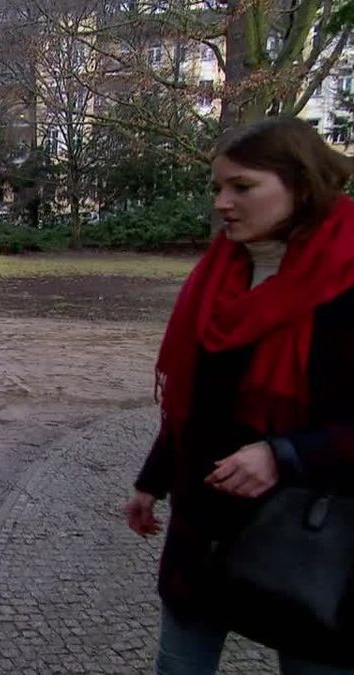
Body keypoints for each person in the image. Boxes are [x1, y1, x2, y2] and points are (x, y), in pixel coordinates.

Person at [125, 117, 354, 674]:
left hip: (314, 538)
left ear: (301, 185)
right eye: (218, 188)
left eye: (242, 187)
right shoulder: (217, 277)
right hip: (202, 527)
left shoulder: (346, 280)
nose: (223, 203)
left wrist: (283, 454)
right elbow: (193, 397)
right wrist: (151, 481)